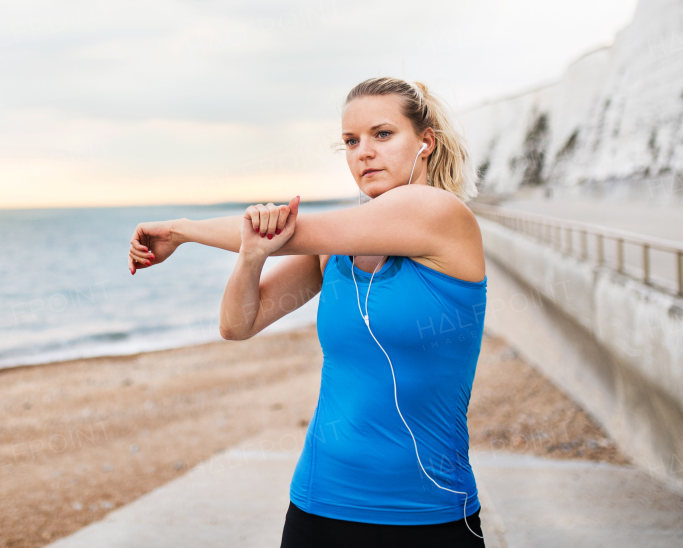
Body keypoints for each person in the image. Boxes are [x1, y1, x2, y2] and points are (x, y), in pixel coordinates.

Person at [127, 77, 487, 547]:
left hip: (427, 512)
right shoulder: (337, 248)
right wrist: (252, 255)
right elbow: (237, 325)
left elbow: (291, 232)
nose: (363, 153)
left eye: (383, 134)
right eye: (351, 142)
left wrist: (181, 229)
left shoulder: (439, 214)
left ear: (425, 142)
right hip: (320, 504)